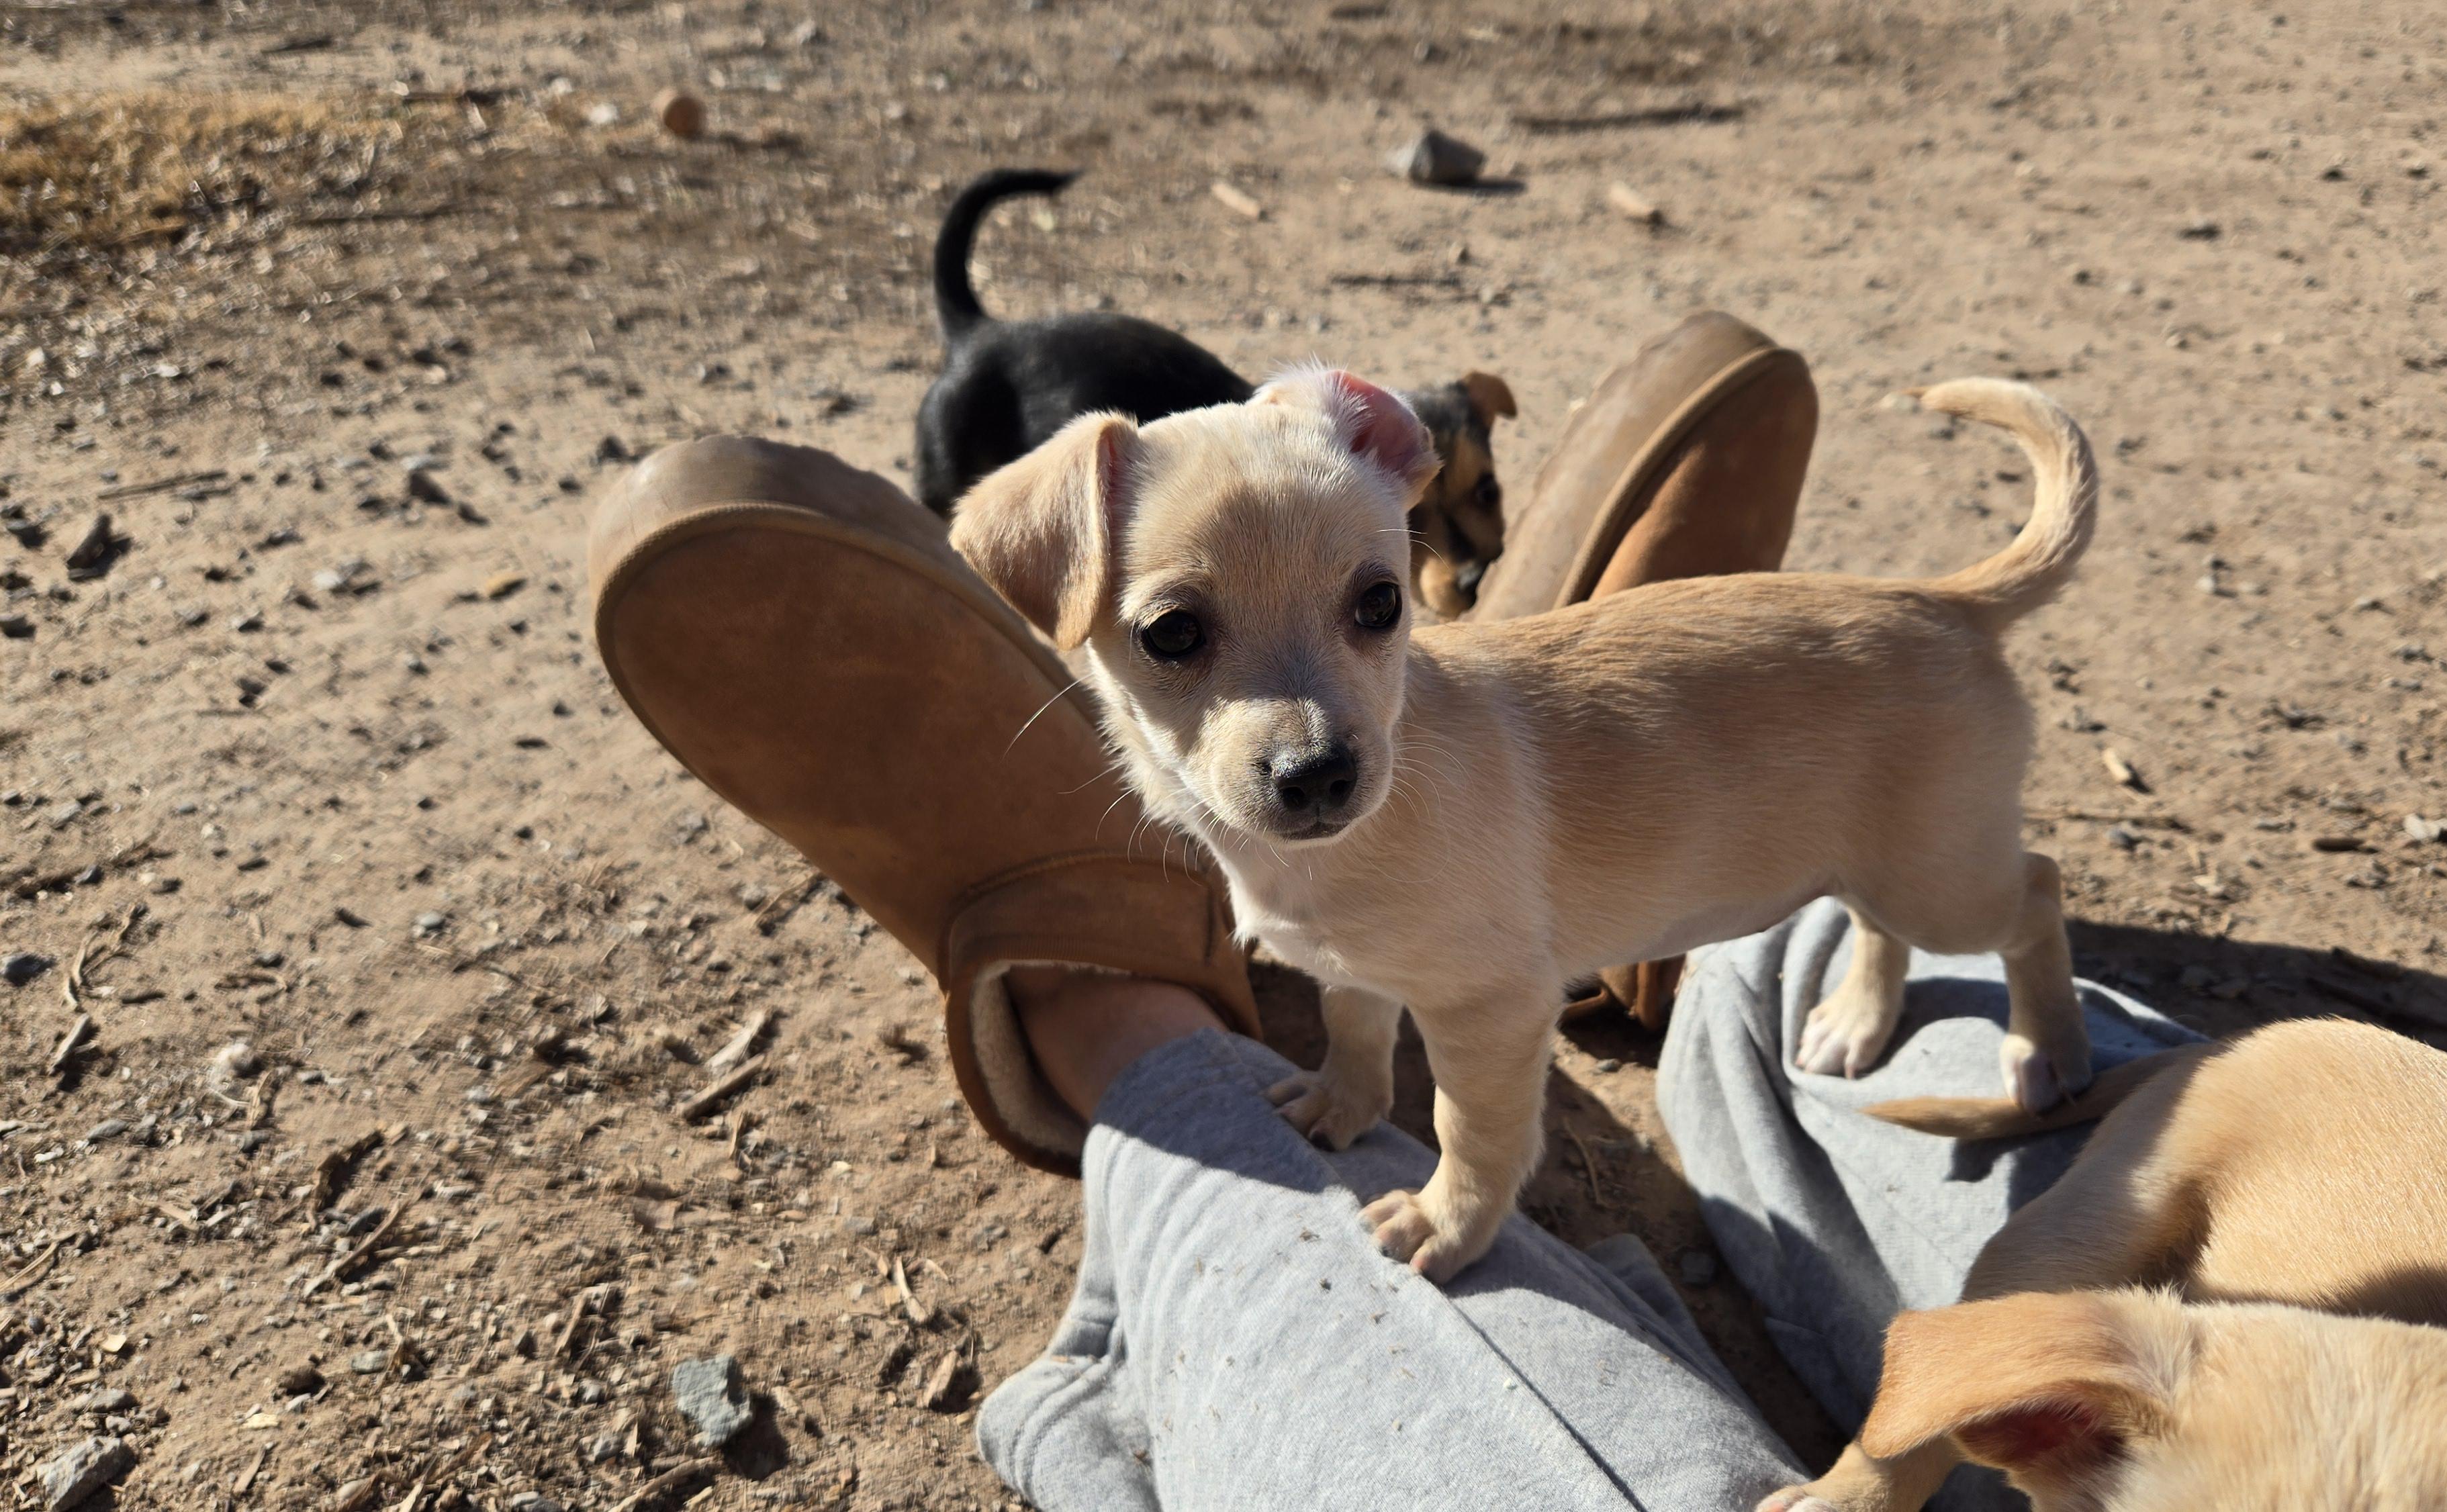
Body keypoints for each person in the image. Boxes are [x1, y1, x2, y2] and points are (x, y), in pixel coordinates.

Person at [586, 316, 2193, 1510]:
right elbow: (1366, 943)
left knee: (1938, 891)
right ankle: (1713, 951)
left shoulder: (1379, 800)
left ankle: (1125, 1021)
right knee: (1347, 935)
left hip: (1899, 723)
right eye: (1179, 637)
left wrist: (1467, 1178)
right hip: (1697, 783)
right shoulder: (1281, 701)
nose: (1305, 731)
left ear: (1399, 512)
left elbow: (1483, 1012)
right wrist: (1354, 1079)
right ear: (1064, 593)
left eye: (1370, 612)